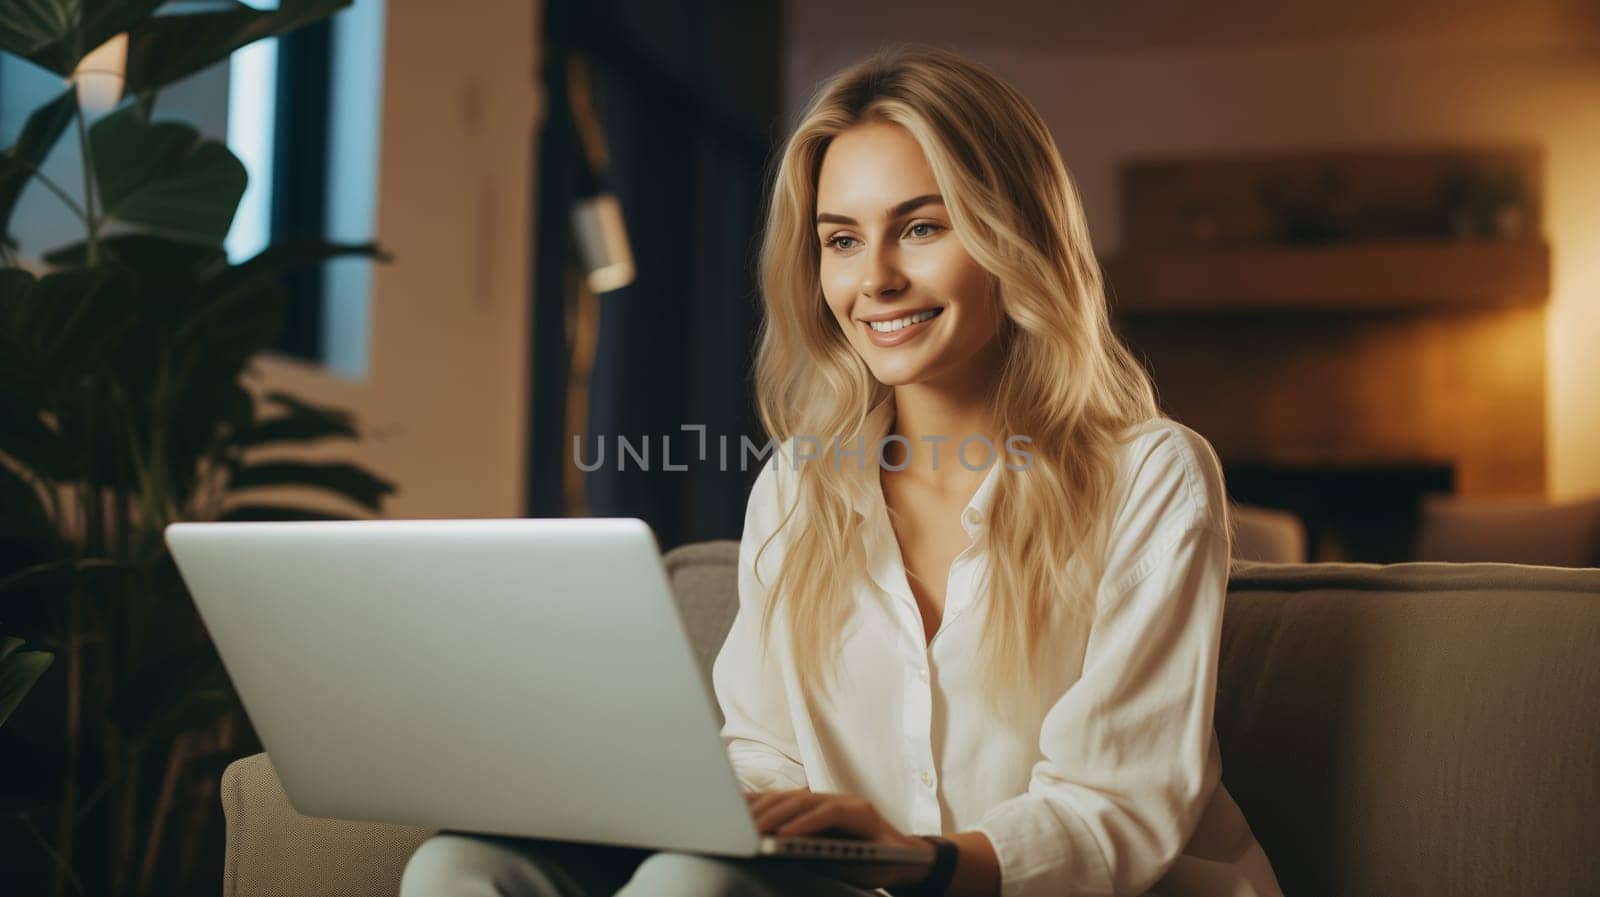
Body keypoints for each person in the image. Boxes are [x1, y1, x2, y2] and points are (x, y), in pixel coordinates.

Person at [400, 44, 1284, 897]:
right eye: (842, 239)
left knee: (691, 884)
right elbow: (765, 753)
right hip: (855, 883)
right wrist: (696, 804)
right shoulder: (800, 484)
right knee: (458, 866)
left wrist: (920, 858)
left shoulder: (1150, 474)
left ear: (1016, 235)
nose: (877, 279)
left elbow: (1116, 810)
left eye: (923, 227)